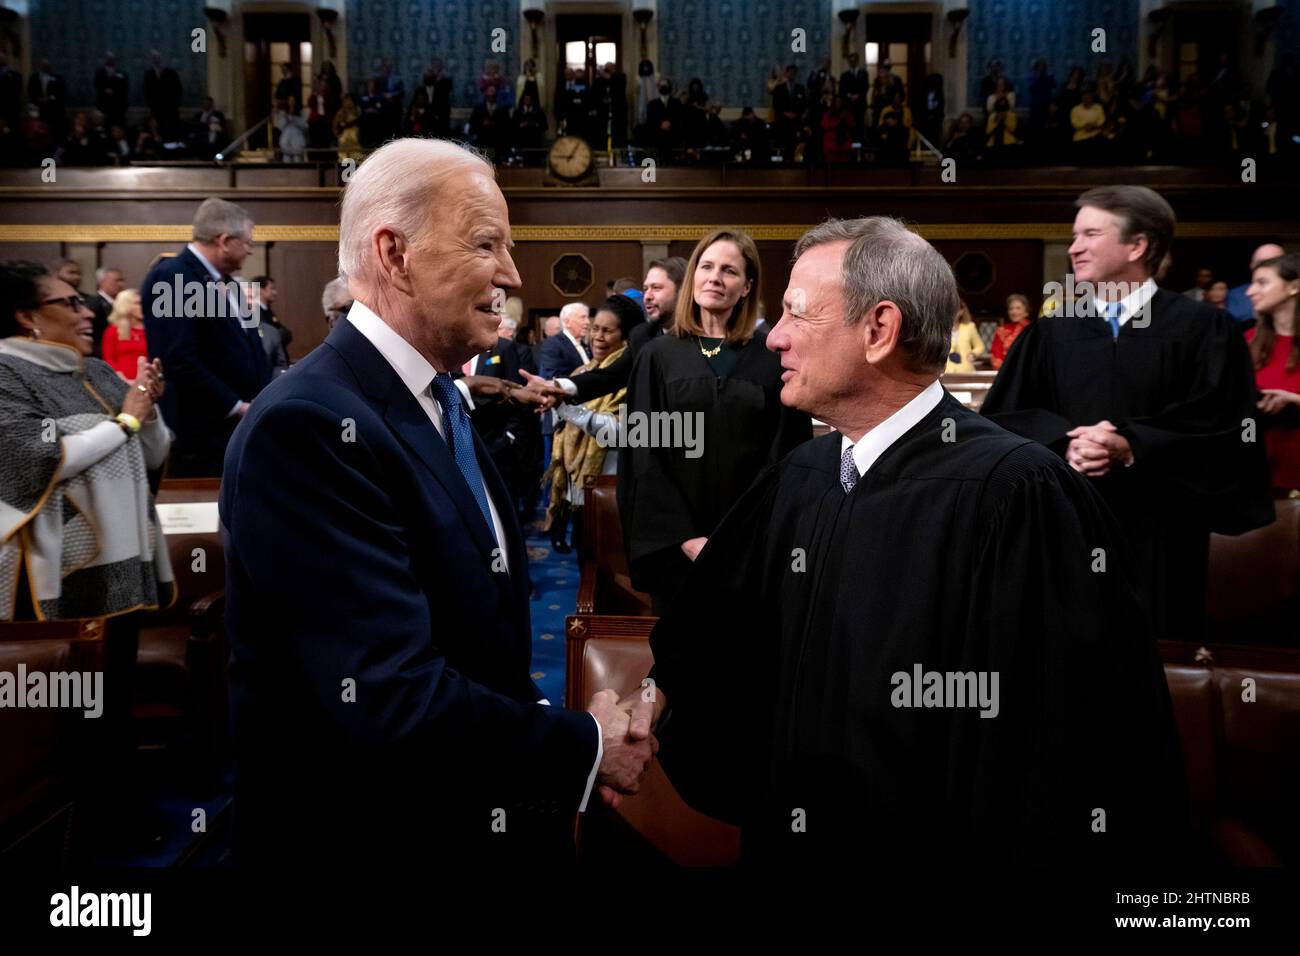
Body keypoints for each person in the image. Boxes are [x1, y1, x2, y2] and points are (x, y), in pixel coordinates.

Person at [619, 216, 1185, 865]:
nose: (773, 338)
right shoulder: (800, 480)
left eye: (796, 316)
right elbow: (713, 635)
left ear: (879, 330)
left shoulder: (1020, 498)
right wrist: (645, 708)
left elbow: (1063, 757)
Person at [220, 138, 654, 869]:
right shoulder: (308, 426)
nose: (513, 274)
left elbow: (472, 638)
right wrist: (582, 745)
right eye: (486, 243)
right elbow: (390, 700)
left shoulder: (436, 399)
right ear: (394, 254)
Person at [980, 186, 1274, 644]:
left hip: (1164, 530)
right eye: (1074, 235)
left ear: (1137, 245)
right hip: (1066, 526)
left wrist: (1134, 444)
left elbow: (1224, 424)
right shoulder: (1051, 333)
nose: (1074, 246)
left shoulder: (1203, 329)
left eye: (1090, 234)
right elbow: (1007, 415)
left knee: (1158, 662)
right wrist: (1066, 442)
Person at [0, 260, 172, 855]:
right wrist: (127, 418)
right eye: (68, 303)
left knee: (111, 703)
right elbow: (30, 458)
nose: (85, 313)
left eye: (83, 303)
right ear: (26, 316)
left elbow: (147, 454)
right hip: (52, 573)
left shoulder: (95, 368)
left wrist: (148, 413)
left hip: (121, 562)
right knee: (72, 709)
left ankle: (117, 812)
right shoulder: (5, 373)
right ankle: (75, 830)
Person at [619, 228, 811, 612]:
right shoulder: (658, 356)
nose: (715, 278)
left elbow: (786, 452)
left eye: (729, 270)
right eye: (706, 266)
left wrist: (741, 537)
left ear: (746, 287)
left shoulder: (771, 359)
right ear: (692, 278)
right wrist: (686, 539)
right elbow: (645, 457)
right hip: (676, 549)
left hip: (752, 549)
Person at [142, 197, 271, 476]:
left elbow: (253, 348)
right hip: (203, 436)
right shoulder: (174, 277)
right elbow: (178, 360)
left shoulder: (232, 285)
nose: (250, 251)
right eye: (247, 243)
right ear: (225, 241)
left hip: (239, 428)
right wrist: (236, 406)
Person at [544, 295, 641, 555]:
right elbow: (560, 425)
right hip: (577, 488)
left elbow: (622, 433)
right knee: (584, 558)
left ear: (624, 337)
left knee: (610, 564)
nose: (598, 336)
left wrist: (569, 409)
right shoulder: (581, 373)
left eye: (607, 331)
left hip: (612, 485)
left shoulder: (633, 377)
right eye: (594, 329)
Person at [522, 257, 686, 407]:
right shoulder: (642, 335)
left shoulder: (707, 338)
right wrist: (555, 386)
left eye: (656, 288)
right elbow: (609, 376)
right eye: (645, 289)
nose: (647, 296)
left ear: (683, 290)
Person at [1245, 254, 1300, 494]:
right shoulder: (1247, 342)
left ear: (1294, 287)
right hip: (1259, 476)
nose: (1250, 291)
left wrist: (1295, 401)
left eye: (1262, 282)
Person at [1226, 243, 1286, 324]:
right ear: (1251, 265)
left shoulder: (1293, 291)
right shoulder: (1235, 294)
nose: (1267, 267)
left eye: (1274, 261)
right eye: (1261, 262)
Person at [101, 288, 149, 381]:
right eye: (138, 303)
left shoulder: (151, 330)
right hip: (121, 383)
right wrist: (124, 381)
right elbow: (109, 360)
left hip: (149, 382)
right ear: (125, 306)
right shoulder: (113, 331)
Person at [88, 265, 125, 355]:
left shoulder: (122, 304)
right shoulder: (94, 304)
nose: (121, 284)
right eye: (117, 280)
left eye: (122, 281)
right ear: (102, 282)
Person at [990, 293, 1033, 370]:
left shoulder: (1033, 329)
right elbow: (996, 354)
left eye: (1018, 308)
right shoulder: (1001, 331)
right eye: (1011, 309)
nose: (1014, 312)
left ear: (1026, 311)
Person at [945, 302, 985, 372]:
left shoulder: (970, 326)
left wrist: (973, 354)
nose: (952, 312)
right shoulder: (942, 328)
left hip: (966, 371)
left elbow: (980, 346)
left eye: (955, 309)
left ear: (961, 311)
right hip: (946, 372)